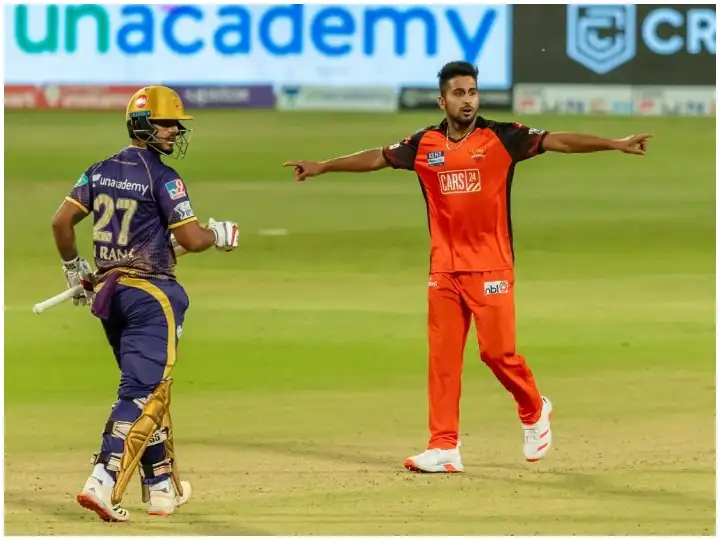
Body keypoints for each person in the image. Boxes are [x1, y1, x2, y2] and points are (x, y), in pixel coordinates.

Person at [283, 61, 651, 473]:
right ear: (443, 101)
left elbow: (558, 141)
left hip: (491, 266)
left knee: (496, 354)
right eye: (459, 93)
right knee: (442, 359)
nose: (468, 100)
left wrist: (614, 143)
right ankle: (443, 446)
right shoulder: (424, 143)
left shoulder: (502, 136)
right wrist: (323, 166)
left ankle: (534, 408)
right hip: (444, 270)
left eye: (472, 92)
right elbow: (377, 158)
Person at [51, 85, 239, 521]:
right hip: (152, 297)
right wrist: (217, 235)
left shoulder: (99, 171)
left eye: (176, 124)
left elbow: (61, 222)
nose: (175, 131)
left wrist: (74, 269)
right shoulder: (164, 177)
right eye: (166, 123)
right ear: (142, 125)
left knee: (153, 387)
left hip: (112, 296)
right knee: (143, 392)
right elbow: (190, 237)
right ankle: (102, 481)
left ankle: (160, 487)